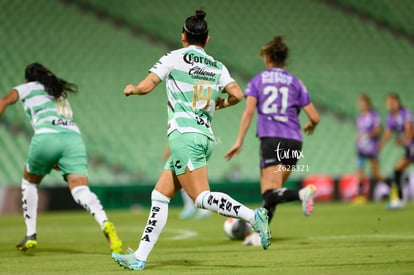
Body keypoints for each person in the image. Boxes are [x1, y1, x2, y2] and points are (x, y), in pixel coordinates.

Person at [111, 10, 271, 271]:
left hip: (184, 136)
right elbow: (238, 95)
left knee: (200, 198)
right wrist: (221, 104)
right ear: (207, 39)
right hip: (204, 136)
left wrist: (133, 89)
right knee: (160, 196)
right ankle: (139, 257)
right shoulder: (217, 66)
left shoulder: (174, 57)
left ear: (183, 36)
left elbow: (149, 84)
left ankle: (253, 216)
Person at [0, 63, 122, 253]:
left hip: (47, 136)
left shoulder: (26, 88)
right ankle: (104, 221)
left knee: (29, 182)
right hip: (73, 139)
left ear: (27, 79)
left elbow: (4, 101)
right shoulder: (58, 92)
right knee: (81, 189)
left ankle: (31, 234)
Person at [225, 36, 319, 246]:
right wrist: (310, 125)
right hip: (295, 141)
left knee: (269, 192)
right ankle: (260, 235)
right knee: (273, 194)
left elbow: (248, 112)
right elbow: (315, 117)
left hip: (272, 139)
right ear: (284, 60)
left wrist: (239, 140)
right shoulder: (296, 82)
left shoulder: (258, 80)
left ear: (267, 59)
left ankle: (303, 193)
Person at [379, 93, 414, 209]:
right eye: (388, 102)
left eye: (392, 102)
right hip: (409, 149)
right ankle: (399, 200)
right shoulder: (390, 117)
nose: (390, 104)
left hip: (412, 146)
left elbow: (410, 130)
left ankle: (399, 200)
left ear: (398, 102)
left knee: (397, 170)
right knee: (397, 171)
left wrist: (403, 140)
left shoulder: (405, 113)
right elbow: (387, 133)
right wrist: (380, 146)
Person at [353, 94, 385, 204]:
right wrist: (358, 137)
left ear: (368, 104)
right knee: (360, 172)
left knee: (376, 173)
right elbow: (360, 131)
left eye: (363, 103)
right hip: (361, 148)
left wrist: (367, 135)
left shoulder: (374, 115)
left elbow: (378, 130)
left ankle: (391, 187)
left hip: (372, 148)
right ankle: (361, 196)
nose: (361, 105)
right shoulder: (359, 117)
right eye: (360, 103)